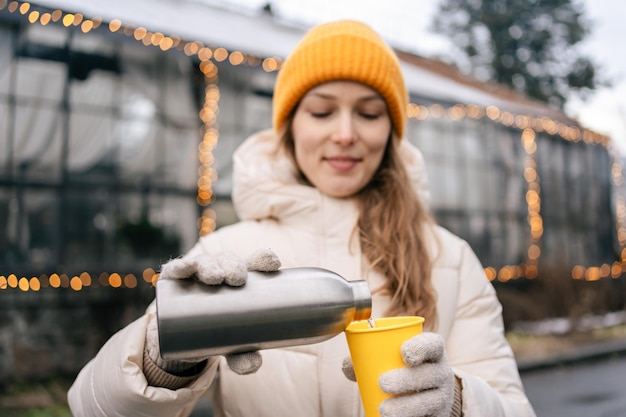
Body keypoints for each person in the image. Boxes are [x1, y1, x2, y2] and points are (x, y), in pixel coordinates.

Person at [67, 20, 537, 417]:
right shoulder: (225, 253)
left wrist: (455, 402)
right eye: (321, 111)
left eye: (370, 114)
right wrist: (161, 355)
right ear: (290, 128)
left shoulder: (449, 257)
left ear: (392, 133)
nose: (346, 133)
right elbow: (92, 408)